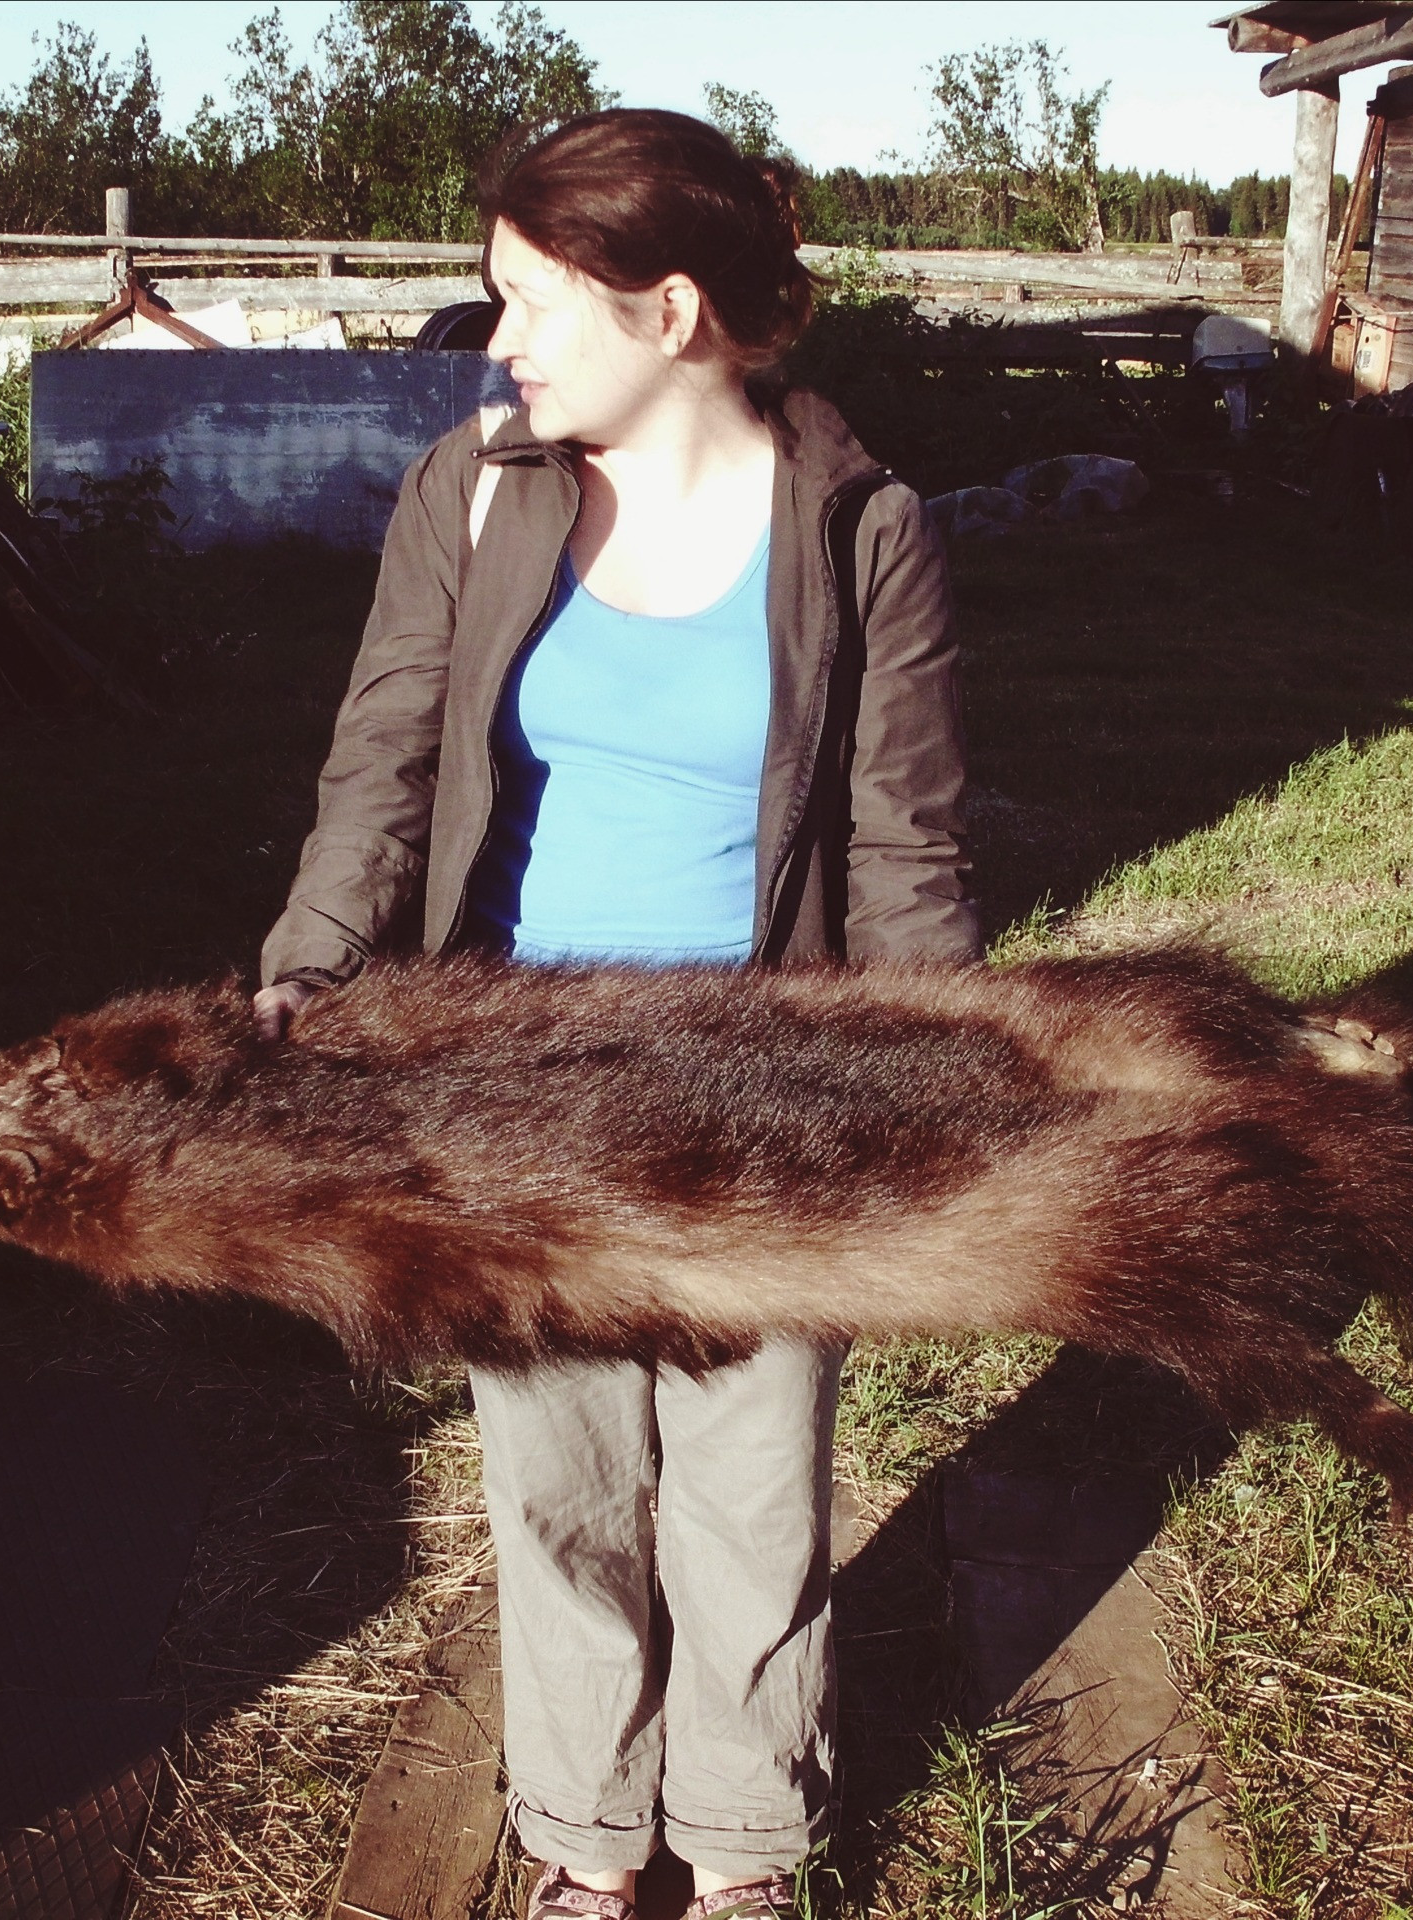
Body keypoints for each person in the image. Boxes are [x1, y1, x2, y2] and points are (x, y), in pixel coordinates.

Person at [254, 108, 979, 1920]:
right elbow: (388, 755)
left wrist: (949, 1085)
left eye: (528, 302)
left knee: (749, 1491)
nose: (495, 342)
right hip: (513, 1090)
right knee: (560, 1480)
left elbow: (904, 843)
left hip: (767, 1097)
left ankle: (741, 1848)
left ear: (667, 313)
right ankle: (587, 1837)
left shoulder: (859, 529)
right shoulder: (477, 492)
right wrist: (315, 959)